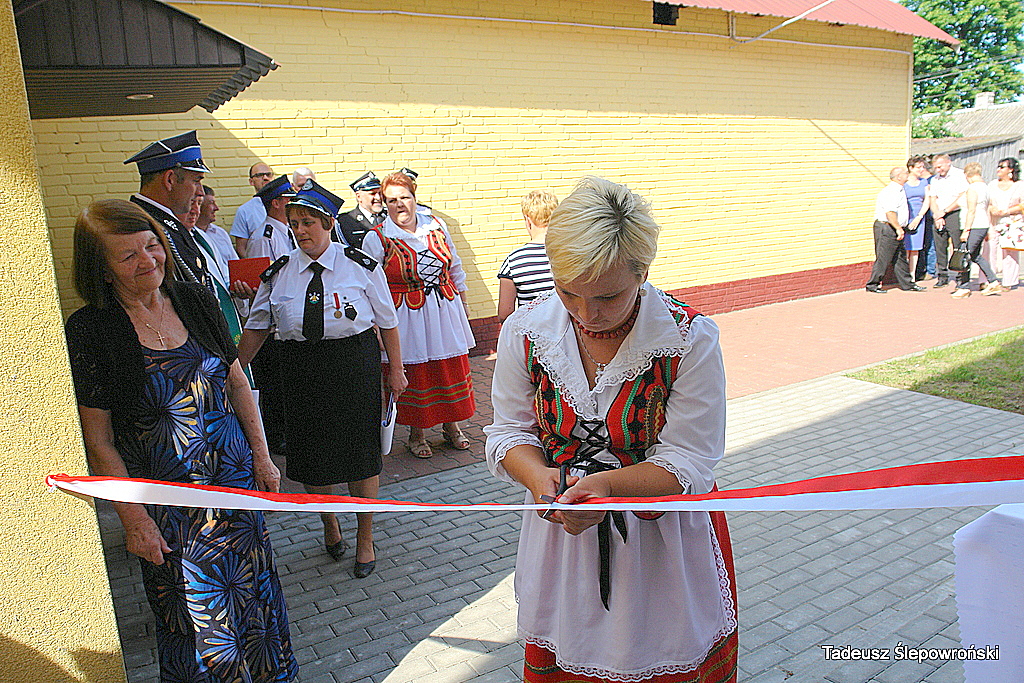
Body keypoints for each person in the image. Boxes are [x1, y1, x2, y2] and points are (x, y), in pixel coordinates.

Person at [484, 177, 738, 683]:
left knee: (660, 653)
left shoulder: (687, 339)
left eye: (607, 295)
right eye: (568, 291)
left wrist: (606, 486)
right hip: (562, 536)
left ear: (643, 272)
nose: (586, 313)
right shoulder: (526, 330)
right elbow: (508, 432)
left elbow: (690, 459)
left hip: (659, 537)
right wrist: (540, 481)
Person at [64, 199, 297, 682]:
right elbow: (99, 440)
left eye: (152, 246)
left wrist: (262, 457)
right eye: (128, 256)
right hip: (170, 512)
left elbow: (236, 381)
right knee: (196, 622)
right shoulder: (92, 331)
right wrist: (134, 520)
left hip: (235, 487)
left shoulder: (194, 299)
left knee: (257, 597)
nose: (147, 261)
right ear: (101, 269)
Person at [238, 180, 407, 578]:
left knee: (361, 458)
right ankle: (329, 522)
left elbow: (388, 322)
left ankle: (365, 536)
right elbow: (258, 326)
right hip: (300, 370)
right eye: (295, 223)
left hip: (353, 366)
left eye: (309, 222)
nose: (301, 230)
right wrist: (233, 370)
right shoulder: (279, 273)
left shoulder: (360, 266)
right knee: (313, 457)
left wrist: (396, 371)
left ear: (329, 223)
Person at [372, 171, 475, 459]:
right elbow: (371, 285)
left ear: (415, 198)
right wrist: (377, 326)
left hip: (444, 309)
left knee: (448, 368)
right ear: (384, 204)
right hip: (407, 315)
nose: (399, 204)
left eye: (404, 197)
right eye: (391, 200)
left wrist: (464, 303)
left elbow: (455, 266)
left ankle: (451, 426)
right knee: (417, 374)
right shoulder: (378, 237)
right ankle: (416, 434)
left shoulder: (437, 226)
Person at [125, 131, 214, 294]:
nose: (200, 192)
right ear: (170, 180)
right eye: (196, 181)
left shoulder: (162, 222)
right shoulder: (139, 227)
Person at [496, 190, 558, 322]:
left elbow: (504, 314)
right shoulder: (570, 255)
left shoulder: (513, 261)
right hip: (569, 332)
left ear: (528, 220)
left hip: (530, 332)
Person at [865, 167, 926, 293]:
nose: (907, 174)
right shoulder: (891, 191)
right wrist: (898, 228)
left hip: (895, 227)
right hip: (887, 227)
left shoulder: (900, 189)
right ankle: (872, 284)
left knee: (900, 257)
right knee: (884, 257)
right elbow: (890, 212)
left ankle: (908, 284)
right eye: (905, 173)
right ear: (898, 177)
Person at [954, 163, 1002, 298]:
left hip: (974, 225)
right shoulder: (985, 188)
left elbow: (971, 211)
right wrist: (988, 228)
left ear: (968, 175)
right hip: (982, 224)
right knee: (975, 255)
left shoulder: (973, 189)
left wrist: (966, 230)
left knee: (965, 254)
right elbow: (986, 208)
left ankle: (963, 287)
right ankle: (992, 281)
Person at [930, 153, 969, 288]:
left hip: (954, 213)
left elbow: (962, 196)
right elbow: (933, 198)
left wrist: (945, 211)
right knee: (940, 246)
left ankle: (961, 276)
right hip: (939, 215)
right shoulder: (935, 179)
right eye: (936, 168)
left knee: (958, 246)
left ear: (948, 162)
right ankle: (942, 276)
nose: (938, 170)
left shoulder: (959, 175)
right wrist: (937, 215)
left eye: (940, 166)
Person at [988, 157, 1023, 291]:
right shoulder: (992, 185)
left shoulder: (1019, 185)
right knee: (990, 249)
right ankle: (990, 279)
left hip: (1013, 221)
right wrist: (992, 209)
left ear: (1011, 170)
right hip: (994, 221)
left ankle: (1009, 281)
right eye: (998, 166)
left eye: (1002, 167)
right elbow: (987, 202)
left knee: (1009, 252)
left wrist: (1008, 211)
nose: (999, 169)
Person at [231, 162, 275, 257]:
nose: (265, 178)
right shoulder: (244, 211)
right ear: (251, 181)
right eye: (259, 175)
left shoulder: (284, 205)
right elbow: (241, 248)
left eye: (268, 174)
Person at [337, 171, 386, 248]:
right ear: (359, 197)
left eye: (380, 193)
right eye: (372, 194)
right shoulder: (344, 221)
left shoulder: (391, 217)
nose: (378, 198)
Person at [902, 156, 932, 281]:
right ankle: (904, 275)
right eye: (918, 167)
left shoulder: (924, 182)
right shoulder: (904, 183)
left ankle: (912, 275)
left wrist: (919, 217)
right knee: (905, 248)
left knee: (915, 248)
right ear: (911, 168)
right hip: (906, 218)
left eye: (922, 167)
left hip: (919, 217)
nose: (921, 170)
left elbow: (927, 200)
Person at [197, 185, 237, 267]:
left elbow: (235, 264)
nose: (216, 208)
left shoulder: (220, 233)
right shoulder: (190, 235)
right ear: (199, 205)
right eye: (211, 203)